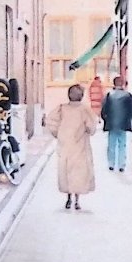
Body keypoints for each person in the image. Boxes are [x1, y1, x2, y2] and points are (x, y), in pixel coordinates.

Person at [45, 83, 97, 211]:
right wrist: (88, 131)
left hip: (65, 144)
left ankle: (68, 197)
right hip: (80, 145)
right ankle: (77, 199)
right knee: (78, 171)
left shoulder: (62, 109)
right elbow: (91, 126)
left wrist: (58, 133)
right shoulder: (85, 110)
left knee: (66, 170)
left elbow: (51, 122)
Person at [101, 76, 132, 171]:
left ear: (114, 83)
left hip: (112, 124)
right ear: (123, 84)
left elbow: (103, 110)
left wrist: (105, 119)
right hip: (124, 124)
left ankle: (111, 164)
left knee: (111, 145)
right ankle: (121, 165)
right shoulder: (128, 96)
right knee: (122, 145)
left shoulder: (109, 95)